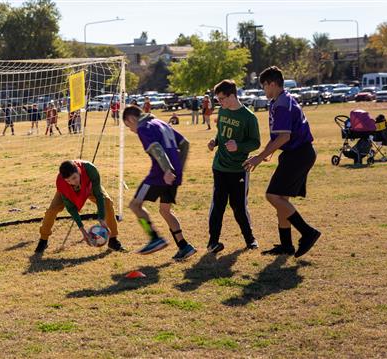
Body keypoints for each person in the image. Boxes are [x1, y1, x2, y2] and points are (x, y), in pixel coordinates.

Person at [243, 66, 321, 258]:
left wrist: (260, 158)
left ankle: (307, 232)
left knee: (272, 196)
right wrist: (264, 153)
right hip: (297, 154)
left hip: (298, 154)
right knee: (281, 199)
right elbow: (278, 136)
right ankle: (286, 245)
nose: (264, 91)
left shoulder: (281, 104)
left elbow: (284, 137)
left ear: (271, 84)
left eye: (264, 87)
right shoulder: (281, 100)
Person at [122, 105, 196, 261]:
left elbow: (157, 150)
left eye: (128, 126)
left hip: (160, 175)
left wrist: (167, 170)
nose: (131, 130)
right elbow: (185, 143)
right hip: (174, 175)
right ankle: (184, 246)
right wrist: (178, 168)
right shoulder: (162, 123)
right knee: (165, 211)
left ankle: (154, 238)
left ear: (131, 119)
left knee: (135, 205)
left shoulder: (144, 127)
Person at [206, 79, 261, 254]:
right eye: (217, 99)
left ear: (232, 96)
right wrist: (215, 141)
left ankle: (250, 239)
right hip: (219, 167)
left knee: (238, 206)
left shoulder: (249, 117)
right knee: (218, 205)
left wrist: (239, 146)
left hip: (239, 169)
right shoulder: (222, 111)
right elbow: (220, 132)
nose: (219, 103)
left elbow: (256, 143)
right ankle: (213, 242)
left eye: (221, 99)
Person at [34, 160, 126, 255]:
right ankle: (43, 240)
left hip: (89, 187)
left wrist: (101, 218)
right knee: (52, 210)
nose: (73, 182)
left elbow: (99, 195)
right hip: (68, 192)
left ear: (79, 170)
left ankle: (113, 240)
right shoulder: (62, 183)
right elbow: (71, 208)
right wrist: (82, 230)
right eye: (68, 180)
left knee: (107, 202)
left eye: (74, 178)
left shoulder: (91, 170)